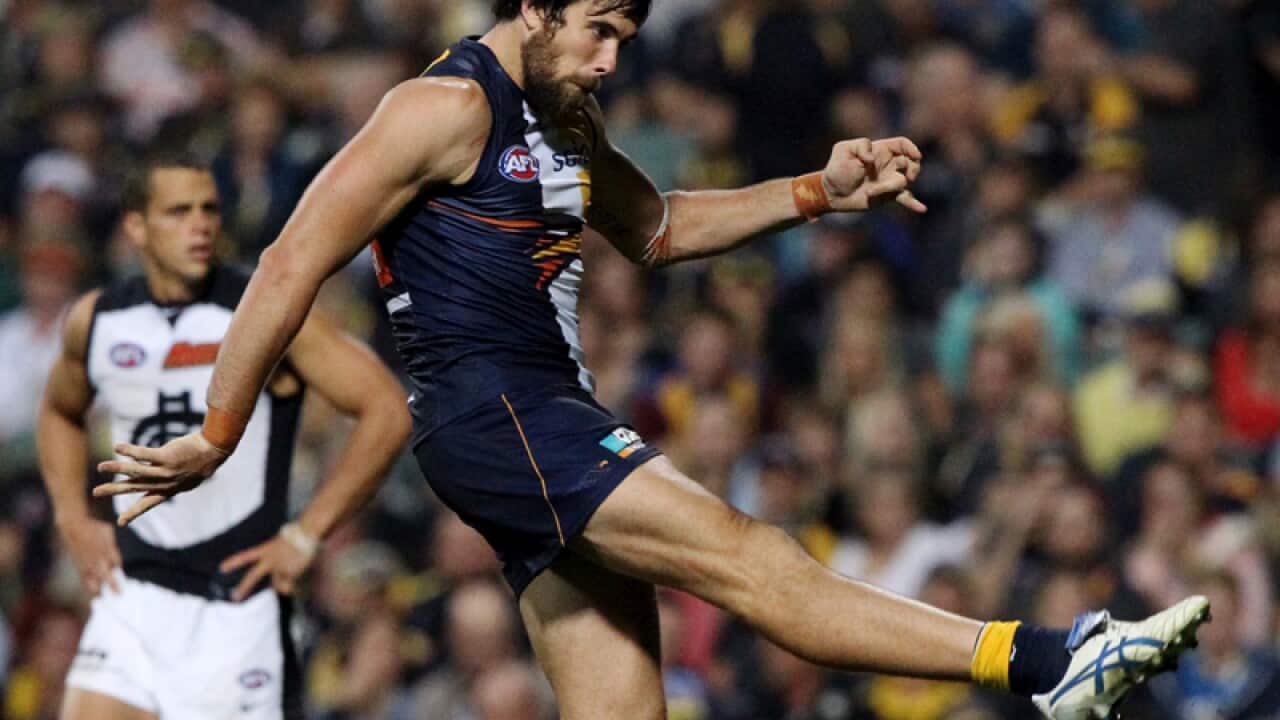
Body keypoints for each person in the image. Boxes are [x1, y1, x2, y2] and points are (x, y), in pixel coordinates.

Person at [93, 2, 1209, 718]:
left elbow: (659, 227)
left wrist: (821, 190)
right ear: (530, 6)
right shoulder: (437, 108)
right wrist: (219, 434)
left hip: (534, 414)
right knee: (747, 553)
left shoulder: (562, 112)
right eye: (595, 29)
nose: (612, 57)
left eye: (627, 34)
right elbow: (289, 257)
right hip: (495, 413)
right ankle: (1047, 661)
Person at [37, 150, 411, 720]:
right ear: (135, 226)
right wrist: (70, 516)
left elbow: (386, 409)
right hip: (134, 593)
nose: (201, 225)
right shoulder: (98, 318)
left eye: (209, 209)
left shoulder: (265, 310)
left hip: (238, 605)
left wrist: (306, 535)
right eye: (179, 211)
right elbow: (60, 412)